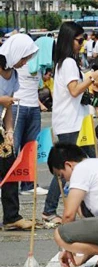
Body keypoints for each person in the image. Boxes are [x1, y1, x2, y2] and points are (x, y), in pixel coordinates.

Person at [42, 22, 98, 225]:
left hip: (75, 120)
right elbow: (74, 90)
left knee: (88, 162)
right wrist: (92, 77)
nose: (82, 44)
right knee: (70, 167)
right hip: (72, 123)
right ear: (69, 39)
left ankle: (94, 203)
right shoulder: (68, 63)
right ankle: (49, 209)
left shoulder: (66, 62)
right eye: (79, 40)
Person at [0, 33, 38, 230]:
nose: (24, 63)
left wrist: (9, 131)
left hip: (0, 128)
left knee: (9, 168)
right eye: (24, 58)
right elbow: (5, 101)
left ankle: (11, 216)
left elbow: (9, 106)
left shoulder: (12, 74)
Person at [13, 62, 48, 195]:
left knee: (31, 146)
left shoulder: (40, 63)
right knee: (12, 148)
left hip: (33, 106)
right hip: (17, 105)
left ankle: (28, 184)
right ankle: (5, 183)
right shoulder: (15, 61)